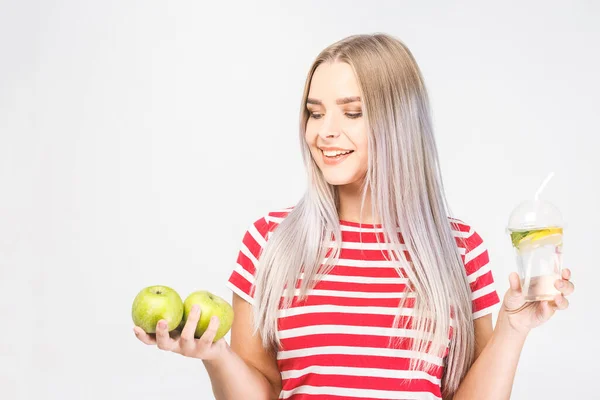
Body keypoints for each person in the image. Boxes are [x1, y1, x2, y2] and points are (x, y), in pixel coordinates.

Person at [133, 33, 575, 400]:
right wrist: (216, 355)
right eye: (314, 112)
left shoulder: (460, 250)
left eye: (352, 112)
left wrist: (513, 330)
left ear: (398, 120)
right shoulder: (268, 241)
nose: (324, 131)